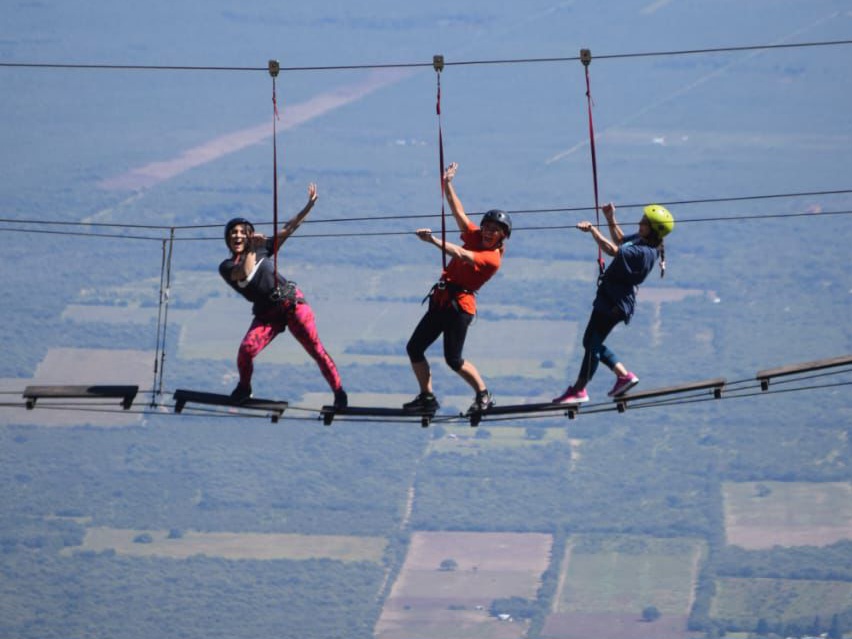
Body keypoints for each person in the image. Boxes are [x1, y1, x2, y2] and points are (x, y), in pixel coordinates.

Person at [219, 183, 347, 409]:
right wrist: (251, 248)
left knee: (315, 349)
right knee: (246, 350)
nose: (237, 235)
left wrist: (308, 207)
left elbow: (289, 228)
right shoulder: (227, 266)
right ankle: (244, 387)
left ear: (249, 235)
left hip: (291, 303)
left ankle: (339, 393)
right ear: (229, 240)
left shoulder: (262, 248)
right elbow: (244, 273)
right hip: (268, 314)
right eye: (233, 233)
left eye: (242, 232)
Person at [404, 162, 511, 415]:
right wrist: (448, 184)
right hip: (442, 300)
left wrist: (432, 240)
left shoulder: (492, 258)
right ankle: (427, 397)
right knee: (414, 348)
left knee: (453, 360)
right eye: (486, 227)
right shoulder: (478, 236)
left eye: (494, 230)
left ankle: (483, 395)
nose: (487, 232)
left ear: (502, 237)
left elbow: (462, 255)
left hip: (459, 309)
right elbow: (459, 214)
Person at [553, 202, 674, 404]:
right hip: (610, 299)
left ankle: (579, 390)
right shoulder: (642, 240)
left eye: (644, 222)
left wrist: (592, 230)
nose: (640, 223)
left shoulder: (644, 253)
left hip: (614, 303)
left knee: (591, 344)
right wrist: (610, 218)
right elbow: (620, 240)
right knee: (590, 342)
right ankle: (623, 376)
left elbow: (612, 250)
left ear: (653, 229)